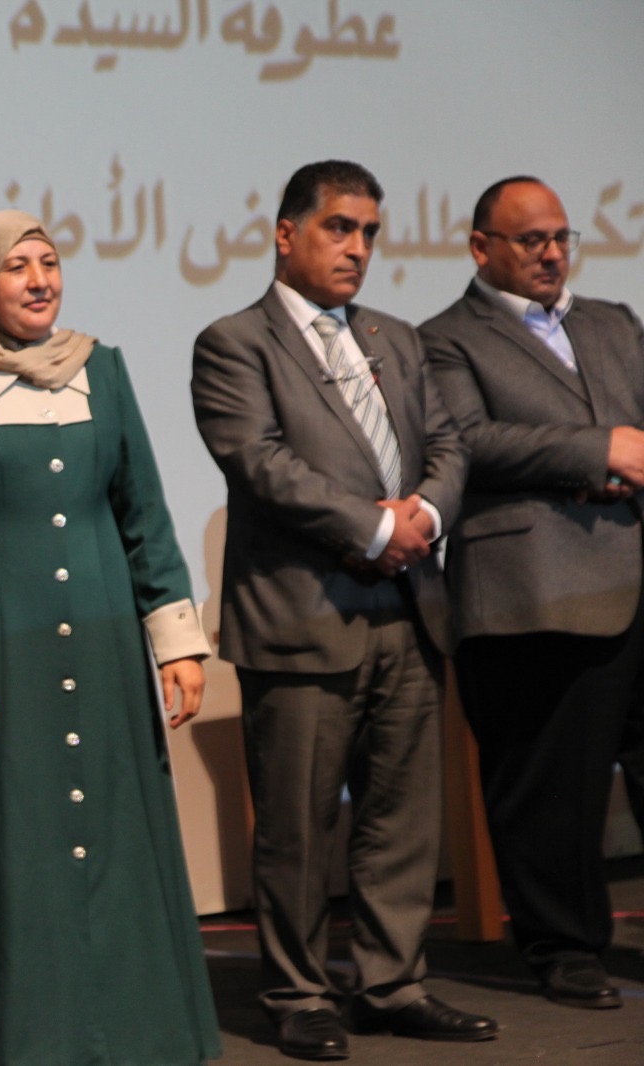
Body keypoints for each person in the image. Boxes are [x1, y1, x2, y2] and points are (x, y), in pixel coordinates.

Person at [0, 209, 221, 1065]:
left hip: (106, 645)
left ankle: (134, 1039)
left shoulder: (100, 368)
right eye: (17, 266)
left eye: (49, 261)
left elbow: (143, 509)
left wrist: (176, 637)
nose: (41, 279)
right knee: (17, 844)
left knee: (117, 835)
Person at [190, 160, 495, 1060]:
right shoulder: (234, 342)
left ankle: (391, 985)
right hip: (302, 618)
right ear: (287, 234)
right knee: (297, 825)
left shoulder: (396, 338)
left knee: (403, 818)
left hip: (409, 608)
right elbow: (261, 462)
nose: (357, 248)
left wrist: (425, 513)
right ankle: (298, 995)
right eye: (339, 228)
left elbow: (448, 443)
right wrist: (375, 528)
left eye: (368, 232)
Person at [420, 177, 644, 1010]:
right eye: (531, 240)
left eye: (561, 238)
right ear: (482, 248)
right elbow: (468, 441)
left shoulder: (613, 322)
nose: (552, 254)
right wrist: (599, 452)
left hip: (635, 572)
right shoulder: (443, 339)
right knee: (551, 783)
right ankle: (563, 946)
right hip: (533, 586)